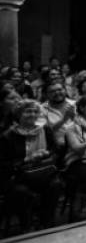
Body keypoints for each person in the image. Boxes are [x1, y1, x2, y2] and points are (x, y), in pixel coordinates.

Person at [0, 99, 63, 232]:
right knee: (21, 192)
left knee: (55, 185)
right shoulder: (8, 136)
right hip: (19, 176)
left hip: (43, 171)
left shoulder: (45, 129)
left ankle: (46, 223)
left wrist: (46, 154)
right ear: (19, 114)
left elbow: (55, 150)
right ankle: (26, 226)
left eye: (35, 112)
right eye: (28, 111)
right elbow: (4, 164)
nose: (32, 114)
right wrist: (27, 159)